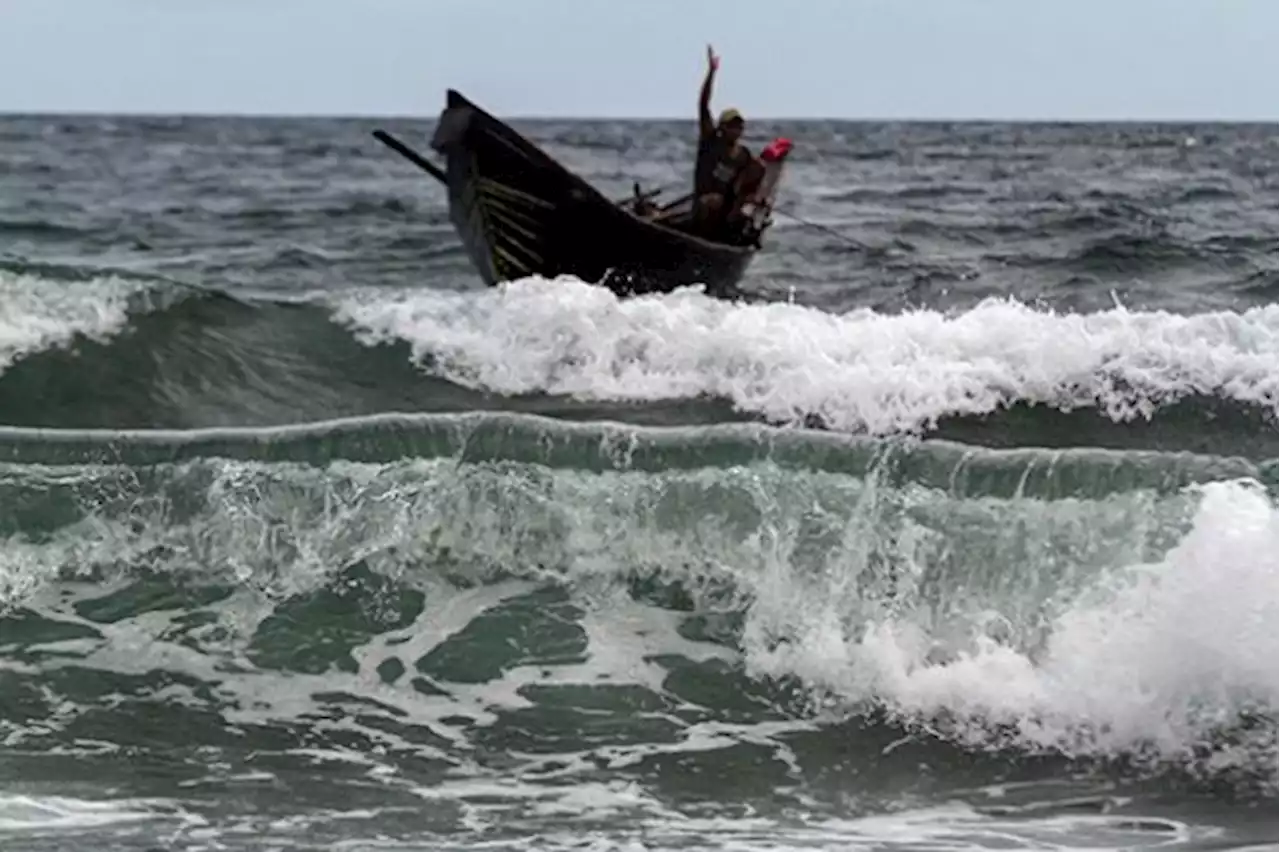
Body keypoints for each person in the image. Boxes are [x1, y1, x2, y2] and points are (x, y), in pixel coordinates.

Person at [693, 46, 761, 237]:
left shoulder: (743, 155)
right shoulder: (711, 141)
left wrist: (753, 199)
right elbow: (703, 105)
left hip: (726, 212)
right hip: (703, 209)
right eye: (731, 126)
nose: (736, 130)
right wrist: (711, 73)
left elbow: (752, 178)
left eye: (739, 126)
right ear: (722, 127)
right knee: (713, 201)